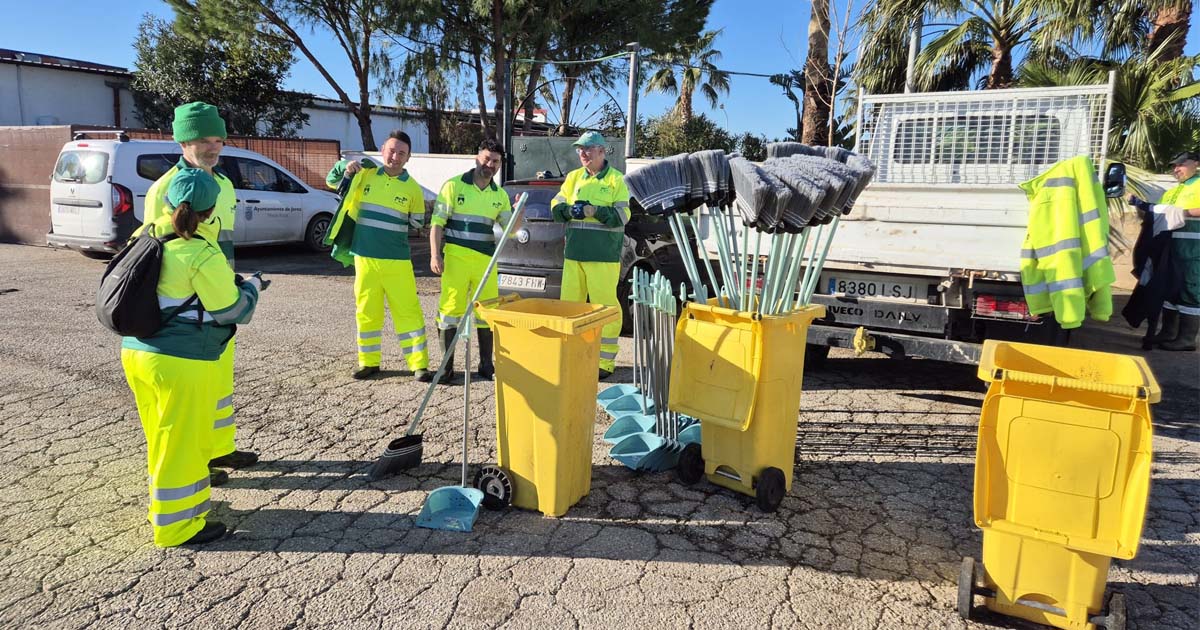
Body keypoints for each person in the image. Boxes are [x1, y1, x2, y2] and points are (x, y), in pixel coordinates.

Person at [121, 168, 264, 547]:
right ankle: (177, 527)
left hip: (137, 352)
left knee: (161, 437)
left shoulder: (144, 235)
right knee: (181, 443)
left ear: (168, 201)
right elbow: (232, 311)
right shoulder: (200, 250)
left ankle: (161, 507)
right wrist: (252, 288)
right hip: (180, 360)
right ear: (211, 209)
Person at [141, 102, 258, 473]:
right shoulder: (164, 190)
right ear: (182, 142)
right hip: (184, 313)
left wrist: (231, 285)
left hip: (218, 301)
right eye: (202, 140)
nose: (213, 147)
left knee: (220, 386)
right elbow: (153, 254)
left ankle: (218, 448)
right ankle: (193, 462)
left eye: (218, 139)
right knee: (190, 396)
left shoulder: (222, 184)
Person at [335, 131, 433, 381]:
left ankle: (419, 365)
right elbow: (331, 179)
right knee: (366, 310)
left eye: (402, 153)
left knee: (408, 312)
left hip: (397, 260)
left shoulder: (413, 189)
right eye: (392, 150)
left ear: (408, 158)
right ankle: (368, 362)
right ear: (382, 149)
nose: (395, 156)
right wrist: (346, 167)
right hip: (364, 257)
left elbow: (418, 223)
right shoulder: (364, 174)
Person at [429, 138, 516, 384]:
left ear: (500, 165)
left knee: (487, 312)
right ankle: (446, 368)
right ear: (477, 157)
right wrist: (435, 254)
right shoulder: (454, 186)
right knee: (450, 312)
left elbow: (510, 229)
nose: (490, 164)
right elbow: (437, 224)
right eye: (487, 158)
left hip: (486, 263)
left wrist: (518, 211)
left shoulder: (499, 195)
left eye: (496, 161)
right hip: (455, 260)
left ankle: (486, 365)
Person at [551, 131, 631, 379]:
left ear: (601, 151)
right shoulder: (573, 178)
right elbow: (555, 206)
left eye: (587, 149)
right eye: (579, 150)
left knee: (604, 308)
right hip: (574, 254)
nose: (582, 154)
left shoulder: (617, 180)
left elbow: (623, 216)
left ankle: (605, 362)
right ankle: (570, 355)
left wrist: (595, 211)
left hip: (603, 255)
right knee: (570, 307)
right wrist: (569, 211)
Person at [1129, 150, 1200, 351]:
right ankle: (1168, 333)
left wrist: (1181, 212)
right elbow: (1159, 215)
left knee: (1190, 290)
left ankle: (1186, 339)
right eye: (1174, 166)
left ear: (1195, 163)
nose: (1176, 169)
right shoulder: (1172, 191)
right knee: (1170, 289)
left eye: (1181, 164)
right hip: (1171, 249)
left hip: (1194, 250)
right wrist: (1141, 207)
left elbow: (1178, 213)